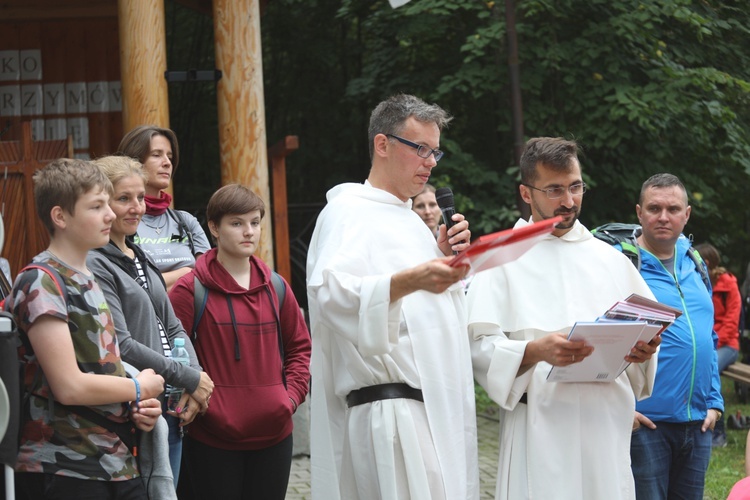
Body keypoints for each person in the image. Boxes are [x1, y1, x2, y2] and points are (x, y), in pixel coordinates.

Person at [466, 137, 660, 500]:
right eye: (555, 190)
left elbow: (641, 343)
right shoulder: (502, 256)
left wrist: (644, 351)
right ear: (526, 193)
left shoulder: (610, 260)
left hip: (604, 424)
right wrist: (534, 351)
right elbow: (478, 348)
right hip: (541, 426)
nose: (569, 201)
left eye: (575, 187)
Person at [306, 94, 478, 500]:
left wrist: (442, 261)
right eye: (420, 149)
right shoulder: (348, 211)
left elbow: (428, 317)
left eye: (435, 151)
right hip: (390, 412)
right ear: (382, 145)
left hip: (434, 407)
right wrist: (409, 280)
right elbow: (330, 295)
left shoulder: (409, 220)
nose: (431, 162)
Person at [3, 158, 164, 499]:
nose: (110, 214)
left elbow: (103, 369)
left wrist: (137, 408)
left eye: (108, 203)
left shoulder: (90, 279)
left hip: (115, 462)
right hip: (64, 468)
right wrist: (137, 388)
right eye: (96, 206)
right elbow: (69, 387)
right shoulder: (41, 281)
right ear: (60, 217)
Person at [169, 184, 311, 499]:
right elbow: (169, 354)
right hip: (211, 437)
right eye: (236, 223)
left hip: (275, 434)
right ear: (214, 228)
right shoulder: (189, 290)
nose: (248, 231)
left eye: (255, 222)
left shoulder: (277, 287)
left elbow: (300, 348)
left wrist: (288, 400)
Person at [85, 156, 215, 485]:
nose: (137, 208)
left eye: (140, 197)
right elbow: (123, 344)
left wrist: (194, 380)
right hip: (133, 409)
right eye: (124, 198)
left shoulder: (137, 253)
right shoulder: (95, 262)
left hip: (168, 405)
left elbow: (173, 326)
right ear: (102, 203)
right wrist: (187, 377)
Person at [629, 173, 723, 500]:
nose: (664, 216)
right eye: (654, 208)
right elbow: (602, 339)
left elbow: (708, 338)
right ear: (640, 213)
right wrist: (622, 407)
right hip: (646, 425)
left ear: (687, 214)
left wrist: (714, 403)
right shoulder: (624, 265)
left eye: (673, 208)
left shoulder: (696, 264)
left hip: (697, 425)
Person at [118, 125, 211, 292]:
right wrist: (188, 271)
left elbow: (209, 275)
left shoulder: (186, 221)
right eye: (156, 155)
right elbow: (129, 284)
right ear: (134, 160)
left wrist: (156, 281)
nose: (167, 163)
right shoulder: (120, 220)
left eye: (170, 157)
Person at [695, 242, 741, 447]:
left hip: (728, 344)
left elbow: (732, 322)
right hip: (707, 341)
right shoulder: (696, 281)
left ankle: (719, 433)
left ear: (706, 262)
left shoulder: (728, 283)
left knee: (710, 366)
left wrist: (709, 344)